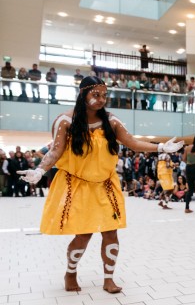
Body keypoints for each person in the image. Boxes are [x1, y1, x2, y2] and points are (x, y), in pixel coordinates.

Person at [18, 76, 183, 293]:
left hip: (105, 185)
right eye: (96, 95)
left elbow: (132, 142)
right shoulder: (65, 121)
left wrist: (161, 147)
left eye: (104, 95)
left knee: (111, 233)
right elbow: (56, 151)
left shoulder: (112, 121)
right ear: (82, 94)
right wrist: (40, 170)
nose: (101, 99)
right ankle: (70, 272)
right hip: (77, 185)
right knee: (84, 234)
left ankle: (108, 279)